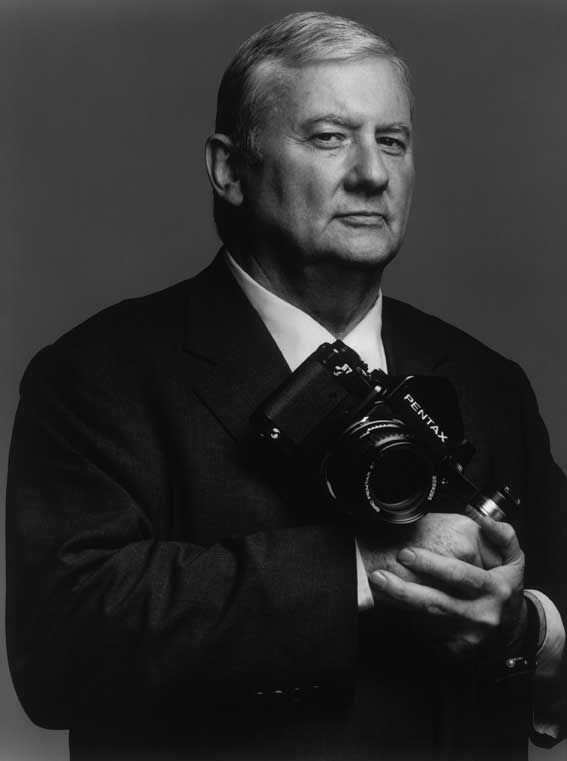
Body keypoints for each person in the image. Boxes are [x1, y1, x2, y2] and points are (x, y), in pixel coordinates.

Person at [6, 11, 566, 761]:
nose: (372, 172)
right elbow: (61, 649)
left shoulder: (486, 380)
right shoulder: (95, 376)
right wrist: (369, 567)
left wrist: (525, 630)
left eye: (391, 141)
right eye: (329, 137)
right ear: (228, 170)